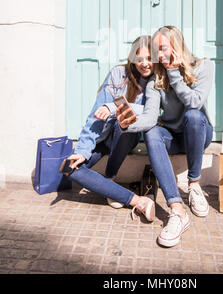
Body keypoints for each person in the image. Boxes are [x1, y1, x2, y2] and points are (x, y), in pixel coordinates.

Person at [123, 26, 215, 247]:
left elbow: (194, 103)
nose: (160, 56)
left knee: (193, 116)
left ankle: (194, 184)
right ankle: (177, 210)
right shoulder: (156, 80)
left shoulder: (204, 66)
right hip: (173, 138)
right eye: (157, 51)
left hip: (198, 133)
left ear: (177, 45)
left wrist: (175, 73)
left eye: (163, 49)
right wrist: (128, 125)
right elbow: (150, 117)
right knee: (152, 131)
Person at [66, 35, 155, 222]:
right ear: (132, 59)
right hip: (103, 139)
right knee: (73, 169)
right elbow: (95, 116)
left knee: (124, 123)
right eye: (139, 59)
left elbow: (148, 111)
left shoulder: (156, 81)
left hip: (125, 137)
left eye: (149, 58)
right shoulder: (118, 74)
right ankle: (138, 200)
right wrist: (82, 150)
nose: (145, 64)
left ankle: (111, 176)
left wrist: (113, 108)